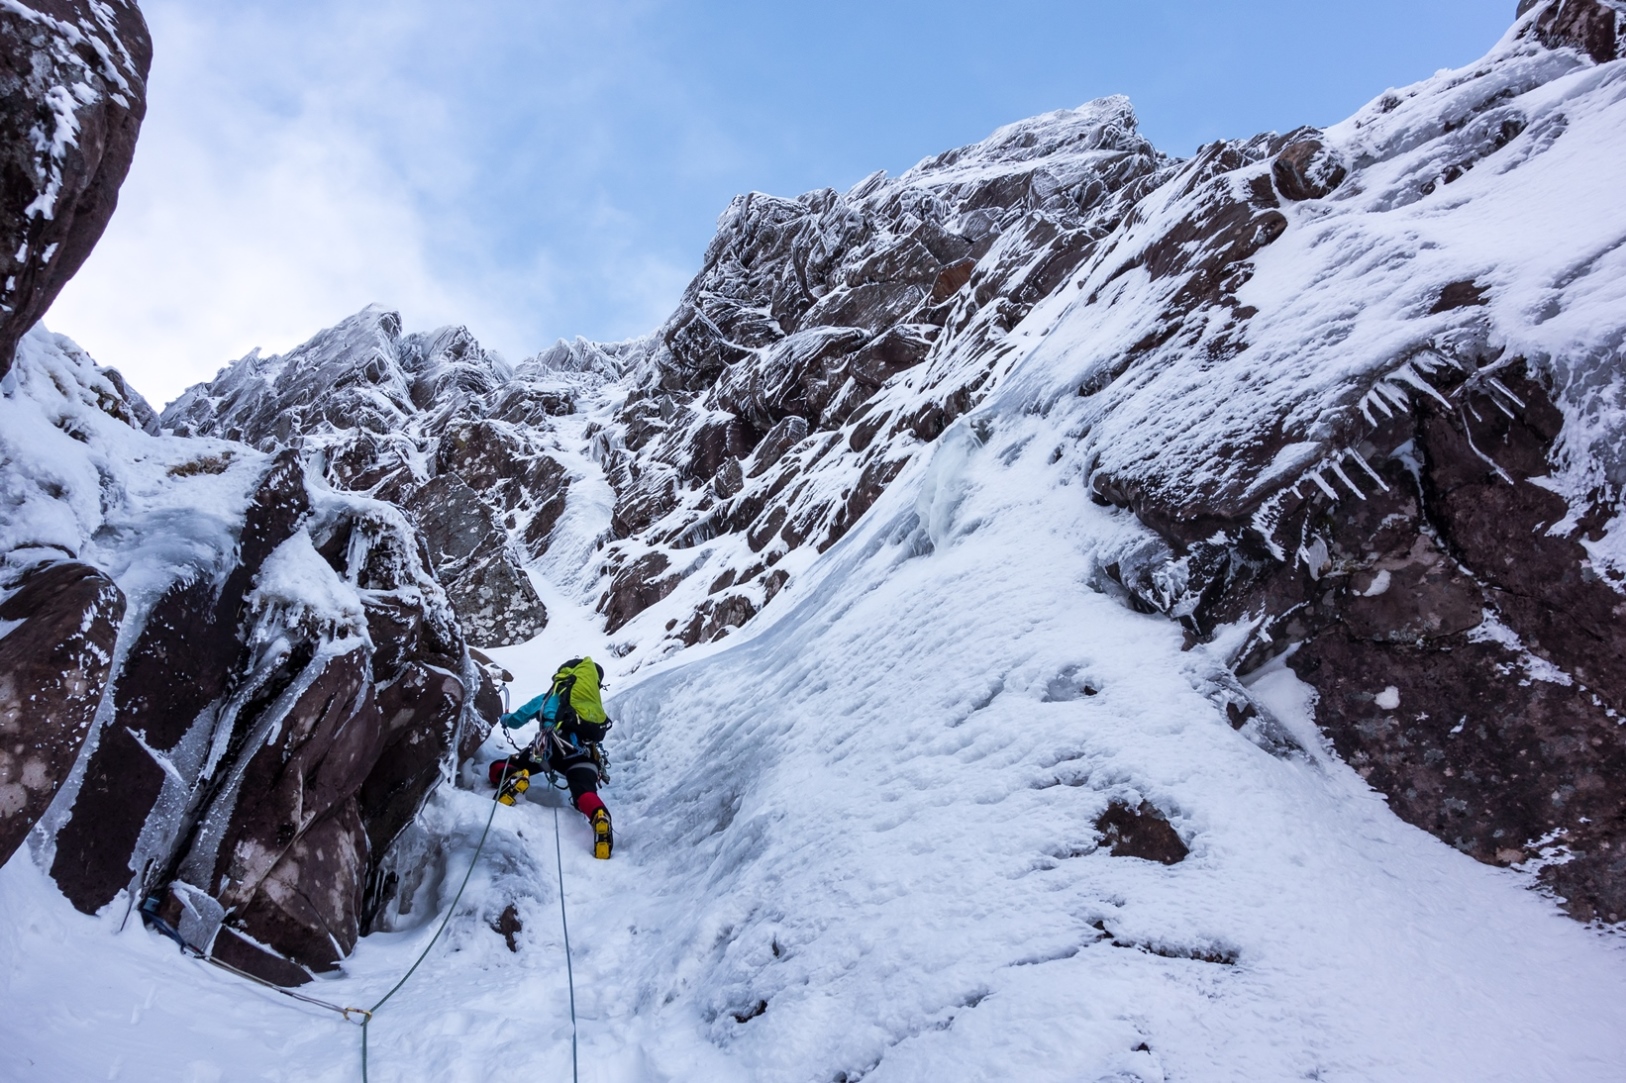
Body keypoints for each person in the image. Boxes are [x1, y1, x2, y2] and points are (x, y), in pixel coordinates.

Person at [489, 656, 614, 859]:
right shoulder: (589, 706)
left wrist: (505, 719)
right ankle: (598, 815)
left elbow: (516, 720)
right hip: (583, 754)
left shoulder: (548, 697)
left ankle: (517, 776)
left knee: (501, 766)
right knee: (584, 791)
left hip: (546, 748)